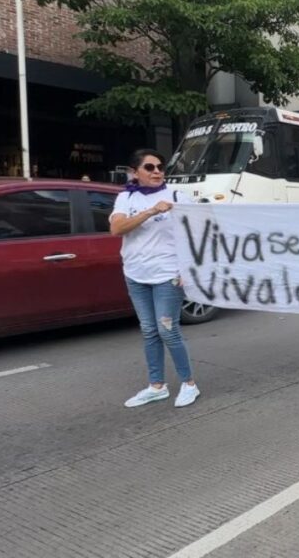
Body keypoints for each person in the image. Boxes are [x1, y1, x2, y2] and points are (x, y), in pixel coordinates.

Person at [110, 149, 200, 408]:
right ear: (134, 172)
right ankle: (156, 386)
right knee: (149, 331)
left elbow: (197, 232)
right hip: (136, 274)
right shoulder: (125, 198)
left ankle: (189, 384)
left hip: (167, 275)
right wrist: (150, 211)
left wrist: (189, 268)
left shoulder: (176, 196)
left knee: (167, 330)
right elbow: (117, 228)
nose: (157, 171)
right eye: (149, 167)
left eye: (160, 166)